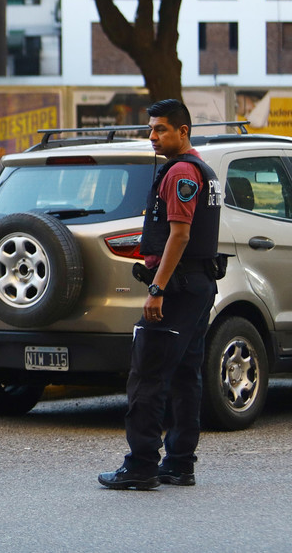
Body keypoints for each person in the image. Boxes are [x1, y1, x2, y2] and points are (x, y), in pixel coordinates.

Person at [98, 99, 222, 490]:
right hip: (197, 285)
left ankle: (141, 466)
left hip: (178, 288)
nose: (152, 136)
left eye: (160, 129)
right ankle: (179, 463)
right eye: (150, 129)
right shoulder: (200, 166)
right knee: (187, 375)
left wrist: (157, 289)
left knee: (148, 377)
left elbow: (180, 234)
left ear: (183, 132)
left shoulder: (182, 171)